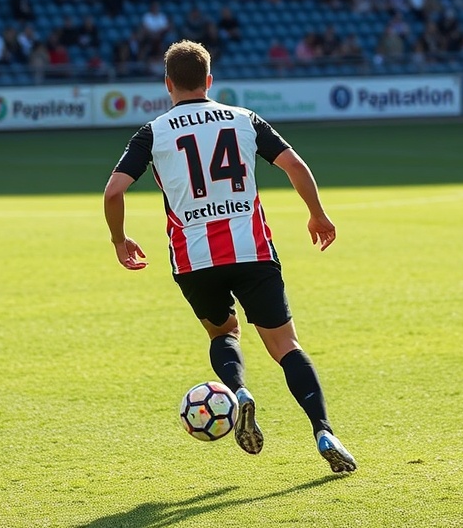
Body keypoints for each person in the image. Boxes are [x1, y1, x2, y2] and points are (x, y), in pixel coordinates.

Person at [102, 40, 356, 474]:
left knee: (223, 333)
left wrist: (119, 239)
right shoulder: (243, 120)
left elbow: (113, 191)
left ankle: (238, 392)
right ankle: (323, 430)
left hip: (194, 258)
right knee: (286, 346)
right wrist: (317, 214)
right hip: (251, 248)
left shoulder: (153, 131)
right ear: (210, 81)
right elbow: (295, 165)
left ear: (168, 84)